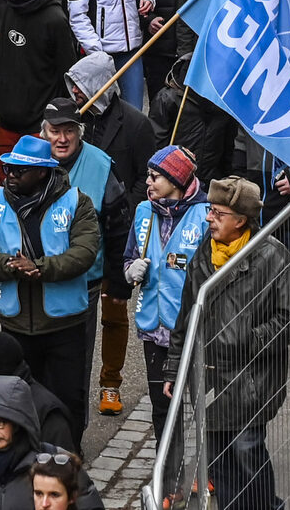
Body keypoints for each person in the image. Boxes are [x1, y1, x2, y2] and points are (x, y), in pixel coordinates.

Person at [170, 176, 290, 510]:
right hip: (209, 378)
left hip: (250, 381)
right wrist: (173, 368)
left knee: (246, 450)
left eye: (218, 213)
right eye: (210, 210)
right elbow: (186, 315)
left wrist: (247, 339)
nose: (209, 218)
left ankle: (264, 506)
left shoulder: (272, 256)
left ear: (241, 220)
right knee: (218, 455)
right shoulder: (204, 254)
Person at [0, 135, 97, 430]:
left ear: (42, 172)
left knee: (68, 399)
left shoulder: (77, 201)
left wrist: (40, 268)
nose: (10, 175)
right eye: (9, 168)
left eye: (19, 171)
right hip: (15, 326)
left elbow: (85, 252)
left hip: (64, 324)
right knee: (19, 399)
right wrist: (9, 266)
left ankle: (68, 460)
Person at [122, 145, 204, 435]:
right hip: (153, 328)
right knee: (162, 407)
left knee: (203, 406)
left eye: (155, 177)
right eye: (148, 175)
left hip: (192, 329)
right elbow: (129, 256)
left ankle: (208, 472)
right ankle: (167, 473)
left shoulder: (205, 214)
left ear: (176, 180)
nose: (148, 182)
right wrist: (131, 270)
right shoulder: (144, 210)